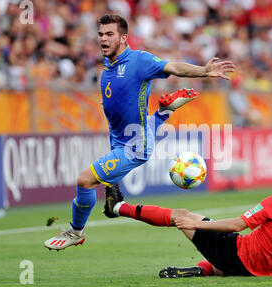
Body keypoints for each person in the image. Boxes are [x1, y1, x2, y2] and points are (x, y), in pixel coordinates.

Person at [44, 14, 235, 250]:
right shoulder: (108, 64)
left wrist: (204, 71)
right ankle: (164, 112)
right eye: (101, 34)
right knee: (111, 193)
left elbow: (173, 66)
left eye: (110, 34)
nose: (103, 39)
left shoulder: (139, 61)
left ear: (123, 38)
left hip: (133, 148)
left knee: (84, 181)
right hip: (122, 139)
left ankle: (75, 231)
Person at [101, 150, 272, 277]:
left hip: (236, 254)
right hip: (259, 272)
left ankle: (116, 207)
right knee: (212, 248)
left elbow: (238, 225)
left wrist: (196, 226)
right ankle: (202, 270)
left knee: (181, 215)